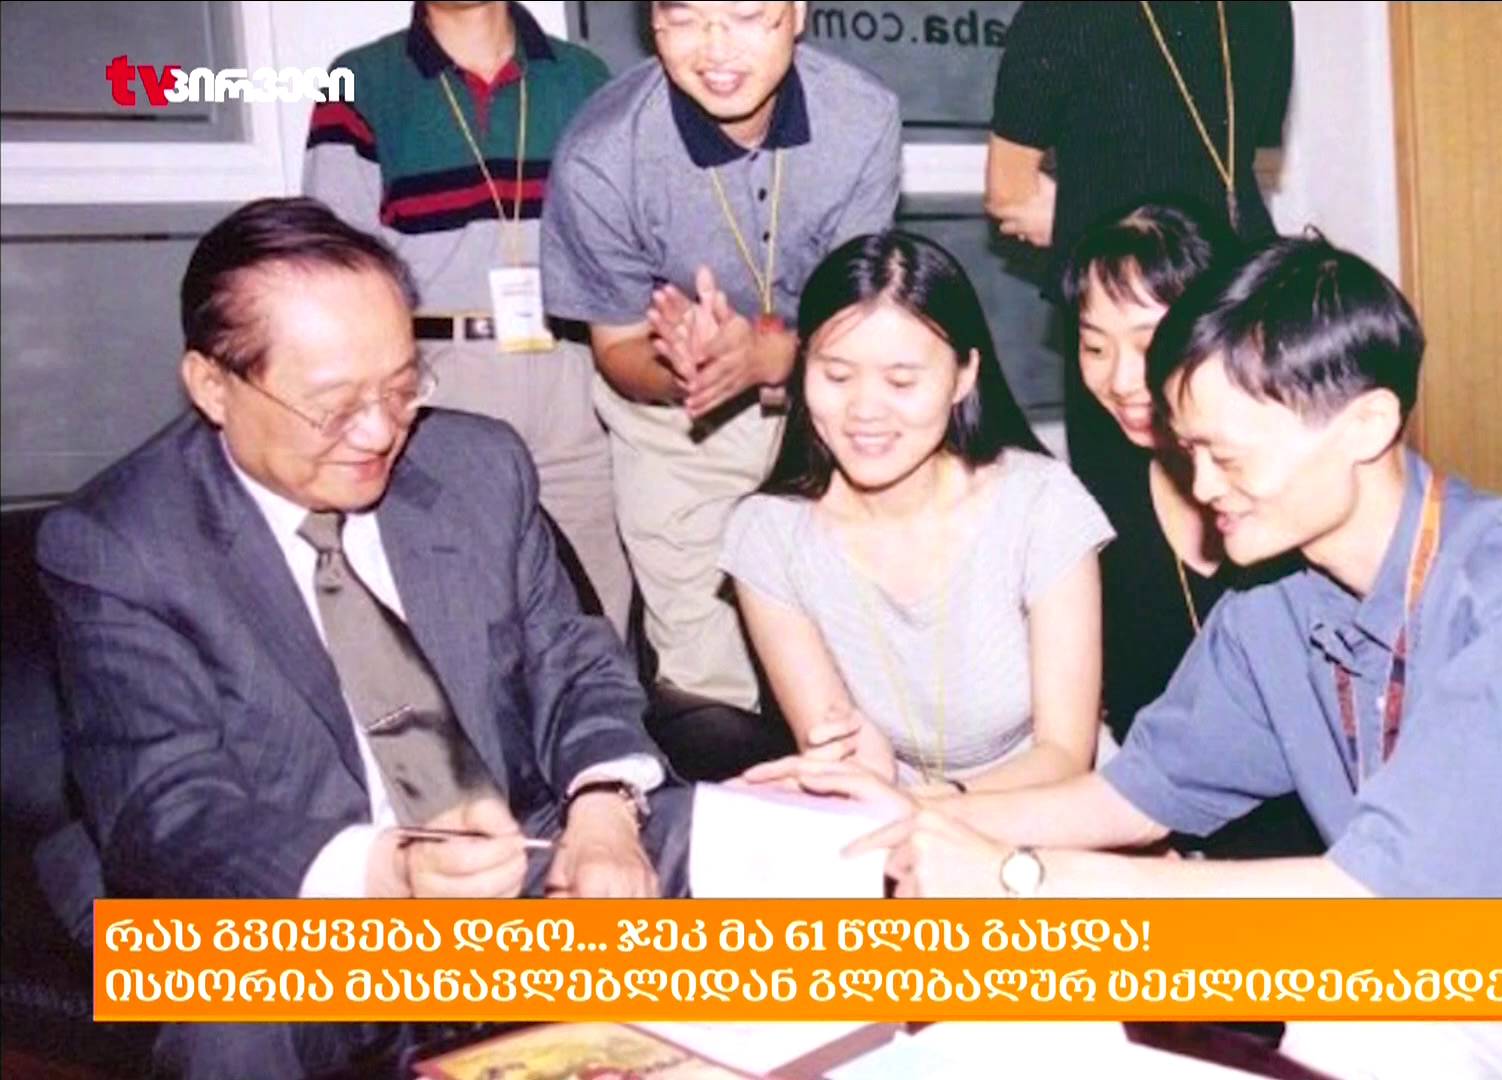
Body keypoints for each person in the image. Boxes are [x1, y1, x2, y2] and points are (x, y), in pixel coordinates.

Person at [755, 234, 1502, 1079]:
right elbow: (1133, 797)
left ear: (1367, 423)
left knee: (1359, 1026)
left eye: (1229, 455)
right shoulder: (1276, 594)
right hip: (1455, 957)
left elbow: (1393, 917)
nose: (1203, 487)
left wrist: (1019, 876)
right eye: (1191, 452)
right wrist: (915, 819)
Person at [37, 199, 689, 1078]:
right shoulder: (119, 542)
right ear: (212, 386)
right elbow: (167, 812)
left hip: (512, 862)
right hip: (275, 901)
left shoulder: (477, 466)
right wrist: (388, 872)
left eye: (401, 386)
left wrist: (605, 808)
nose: (381, 431)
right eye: (334, 406)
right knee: (230, 1024)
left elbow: (571, 663)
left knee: (771, 867)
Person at [543, 0, 901, 717]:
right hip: (678, 423)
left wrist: (773, 358)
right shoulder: (600, 155)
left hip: (828, 394)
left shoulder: (862, 117)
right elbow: (617, 349)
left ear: (797, 12)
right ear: (651, 21)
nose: (715, 49)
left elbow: (860, 317)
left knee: (866, 643)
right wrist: (691, 369)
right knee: (707, 676)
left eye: (744, 15)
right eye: (684, 19)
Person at [723, 231, 1114, 796]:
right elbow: (840, 756)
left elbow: (1065, 756)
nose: (864, 410)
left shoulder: (1041, 504)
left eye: (901, 381)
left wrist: (934, 806)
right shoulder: (770, 536)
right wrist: (858, 766)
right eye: (836, 376)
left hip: (1047, 809)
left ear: (964, 376)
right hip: (886, 812)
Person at [304, 0, 632, 633]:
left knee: (596, 607)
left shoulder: (583, 77)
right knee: (455, 606)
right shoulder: (361, 81)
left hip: (572, 371)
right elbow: (335, 267)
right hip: (438, 379)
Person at [1061, 201, 1318, 859]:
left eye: (1149, 344)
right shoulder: (1096, 503)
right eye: (1095, 346)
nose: (1121, 380)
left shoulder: (1307, 499)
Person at [986, 1, 1293, 531]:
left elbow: (1009, 195)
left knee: (1135, 532)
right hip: (1243, 302)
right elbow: (1243, 158)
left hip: (1128, 305)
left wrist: (1084, 214)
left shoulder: (1060, 14)